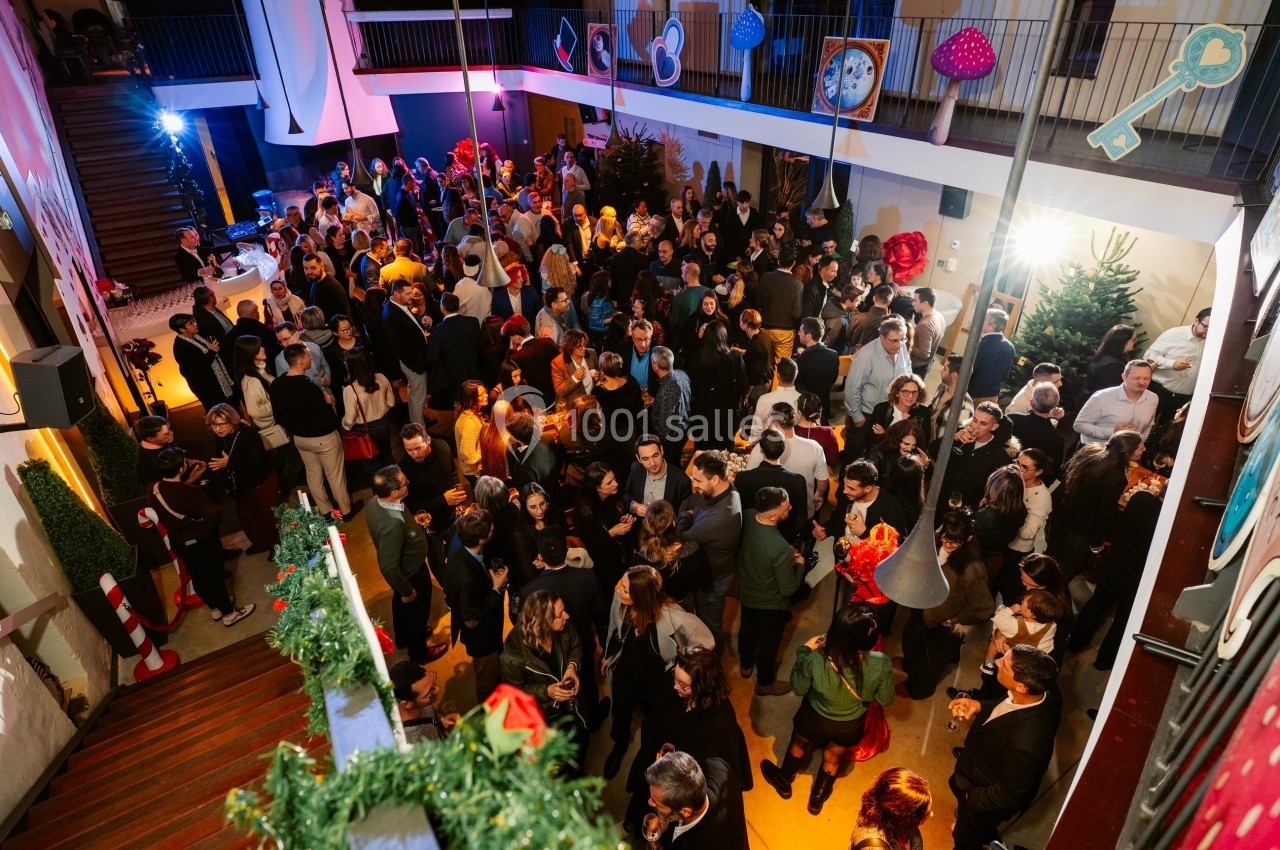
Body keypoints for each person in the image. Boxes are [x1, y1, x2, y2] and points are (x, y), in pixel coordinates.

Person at [761, 604, 894, 815]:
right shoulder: (881, 663)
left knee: (798, 743)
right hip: (850, 726)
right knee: (833, 758)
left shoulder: (816, 659)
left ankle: (784, 780)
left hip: (813, 719)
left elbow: (799, 687)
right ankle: (817, 799)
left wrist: (804, 650)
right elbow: (886, 699)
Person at [624, 647, 752, 834]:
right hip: (655, 760)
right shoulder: (674, 685)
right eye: (675, 679)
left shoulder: (720, 725)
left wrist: (671, 768)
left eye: (683, 685)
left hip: (675, 783)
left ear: (703, 687)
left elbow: (707, 777)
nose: (675, 687)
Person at [602, 566, 714, 779]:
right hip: (626, 668)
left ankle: (649, 754)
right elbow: (612, 629)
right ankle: (619, 743)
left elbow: (706, 641)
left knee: (654, 716)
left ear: (641, 595)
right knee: (622, 707)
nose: (617, 590)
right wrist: (608, 655)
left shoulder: (673, 615)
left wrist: (683, 667)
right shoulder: (621, 602)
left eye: (625, 589)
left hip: (656, 677)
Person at [947, 646, 1061, 850]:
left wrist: (970, 798)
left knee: (964, 840)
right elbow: (1007, 706)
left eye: (1004, 664)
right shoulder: (1041, 691)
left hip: (981, 795)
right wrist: (979, 706)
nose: (997, 662)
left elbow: (1009, 795)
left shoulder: (1027, 743)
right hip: (976, 769)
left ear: (1021, 687)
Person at [147, 449, 254, 626]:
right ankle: (229, 614)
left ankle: (215, 608)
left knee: (197, 576)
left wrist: (188, 483)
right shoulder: (191, 492)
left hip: (179, 542)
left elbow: (174, 495)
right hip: (201, 540)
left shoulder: (153, 489)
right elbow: (214, 514)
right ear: (182, 468)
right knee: (214, 577)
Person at [899, 511, 995, 699]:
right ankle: (910, 665)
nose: (948, 545)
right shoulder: (936, 541)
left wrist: (956, 619)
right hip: (925, 609)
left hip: (945, 622)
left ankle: (918, 689)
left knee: (930, 662)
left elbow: (984, 608)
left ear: (968, 538)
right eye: (946, 538)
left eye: (954, 542)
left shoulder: (970, 568)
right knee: (910, 639)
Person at [1068, 479, 1163, 669]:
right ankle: (1104, 662)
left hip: (1115, 564)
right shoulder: (1164, 521)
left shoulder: (1140, 500)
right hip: (1138, 576)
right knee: (1123, 620)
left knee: (1097, 603)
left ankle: (1074, 643)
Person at [367, 467, 450, 665]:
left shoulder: (375, 502)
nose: (409, 483)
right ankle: (419, 651)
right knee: (417, 612)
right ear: (394, 492)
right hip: (410, 574)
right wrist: (407, 590)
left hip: (406, 570)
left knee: (401, 606)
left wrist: (412, 522)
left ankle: (404, 637)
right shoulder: (392, 525)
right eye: (405, 482)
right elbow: (388, 566)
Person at [270, 344, 360, 521]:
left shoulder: (277, 385)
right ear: (301, 360)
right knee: (335, 476)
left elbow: (278, 417)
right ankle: (346, 511)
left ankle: (326, 512)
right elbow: (328, 420)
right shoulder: (309, 389)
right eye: (309, 356)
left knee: (313, 475)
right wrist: (328, 403)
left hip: (301, 439)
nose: (311, 358)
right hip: (324, 438)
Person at [500, 590, 587, 768]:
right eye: (559, 614)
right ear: (542, 623)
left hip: (572, 705)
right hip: (545, 715)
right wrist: (547, 691)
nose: (567, 616)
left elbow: (576, 646)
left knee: (580, 742)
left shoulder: (564, 626)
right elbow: (516, 694)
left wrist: (572, 666)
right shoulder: (512, 655)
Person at [737, 487, 807, 696]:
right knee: (769, 642)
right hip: (771, 604)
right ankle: (765, 683)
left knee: (747, 629)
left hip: (747, 593)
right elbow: (788, 589)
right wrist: (800, 565)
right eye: (786, 508)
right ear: (773, 515)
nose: (791, 508)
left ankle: (745, 665)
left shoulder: (749, 515)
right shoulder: (780, 548)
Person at [1050, 430, 1142, 579]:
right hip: (1080, 531)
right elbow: (1103, 513)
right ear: (1127, 453)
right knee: (1066, 568)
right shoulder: (1117, 477)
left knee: (1052, 556)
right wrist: (1098, 542)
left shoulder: (1091, 451)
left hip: (1061, 515)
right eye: (1140, 448)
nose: (1143, 450)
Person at [678, 452, 743, 651]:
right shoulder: (720, 491)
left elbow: (682, 537)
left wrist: (684, 517)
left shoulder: (721, 516)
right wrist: (688, 512)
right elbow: (688, 503)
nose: (694, 485)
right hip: (707, 571)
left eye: (697, 480)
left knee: (710, 624)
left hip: (713, 580)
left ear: (715, 479)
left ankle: (714, 658)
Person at [443, 509, 507, 703]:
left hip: (489, 632)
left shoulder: (459, 544)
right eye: (490, 529)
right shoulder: (467, 577)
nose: (493, 529)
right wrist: (496, 588)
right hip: (482, 637)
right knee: (486, 679)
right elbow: (471, 619)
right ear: (481, 540)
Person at [204, 404, 278, 556]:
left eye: (222, 424)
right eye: (213, 425)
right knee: (247, 518)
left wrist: (228, 464)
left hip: (260, 483)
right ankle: (261, 544)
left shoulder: (247, 435)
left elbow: (257, 465)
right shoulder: (222, 436)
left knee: (268, 519)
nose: (218, 429)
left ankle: (277, 548)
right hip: (241, 487)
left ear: (233, 421)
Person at [645, 751, 749, 849]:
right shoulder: (716, 766)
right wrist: (664, 820)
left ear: (685, 812)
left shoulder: (694, 845)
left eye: (656, 803)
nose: (649, 802)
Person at [843, 317, 911, 461]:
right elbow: (852, 388)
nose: (899, 344)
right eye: (894, 341)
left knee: (879, 449)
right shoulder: (866, 356)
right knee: (856, 451)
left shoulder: (902, 347)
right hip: (867, 414)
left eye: (903, 339)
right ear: (882, 338)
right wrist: (857, 416)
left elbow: (908, 370)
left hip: (890, 411)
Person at [935, 402, 1020, 509]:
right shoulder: (961, 434)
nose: (976, 427)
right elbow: (933, 451)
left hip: (966, 510)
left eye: (983, 423)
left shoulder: (1000, 456)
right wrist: (953, 438)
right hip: (939, 500)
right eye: (975, 420)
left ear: (994, 426)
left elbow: (991, 491)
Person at [1003, 448, 1054, 604]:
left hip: (1016, 551)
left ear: (1038, 472)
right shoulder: (1014, 480)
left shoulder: (1042, 499)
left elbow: (1028, 533)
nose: (1018, 468)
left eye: (1024, 467)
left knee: (1009, 594)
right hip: (1002, 543)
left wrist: (1005, 513)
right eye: (1017, 462)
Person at [573, 462, 634, 592]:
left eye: (614, 478)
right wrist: (611, 533)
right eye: (609, 483)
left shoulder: (613, 496)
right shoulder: (585, 510)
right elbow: (586, 545)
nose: (616, 483)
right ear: (597, 488)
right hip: (604, 564)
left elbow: (617, 517)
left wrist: (626, 518)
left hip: (623, 555)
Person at [1145, 308, 1210, 420]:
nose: (1208, 331)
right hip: (1159, 392)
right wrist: (1172, 363)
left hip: (1184, 399)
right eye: (1205, 327)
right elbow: (1149, 355)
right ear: (1196, 321)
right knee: (1143, 423)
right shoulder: (1174, 334)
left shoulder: (1214, 341)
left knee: (1166, 433)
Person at [1074, 359, 1158, 445]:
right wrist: (1113, 431)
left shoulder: (1153, 398)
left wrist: (1138, 444)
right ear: (1124, 377)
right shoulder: (1102, 397)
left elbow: (1148, 426)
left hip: (1128, 452)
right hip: (1096, 451)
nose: (1142, 382)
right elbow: (1079, 425)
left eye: (1147, 378)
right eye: (1136, 378)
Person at [690, 322, 747, 450]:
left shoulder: (696, 358)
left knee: (702, 454)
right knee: (724, 454)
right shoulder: (735, 357)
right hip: (727, 414)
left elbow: (692, 388)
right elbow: (743, 386)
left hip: (702, 414)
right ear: (724, 336)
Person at [848, 768, 932, 850]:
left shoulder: (901, 823)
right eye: (924, 812)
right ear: (904, 817)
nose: (931, 814)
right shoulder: (873, 846)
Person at [426, 292, 482, 413]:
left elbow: (432, 357)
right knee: (474, 406)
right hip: (472, 372)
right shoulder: (473, 322)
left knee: (458, 409)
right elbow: (478, 345)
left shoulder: (438, 331)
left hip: (452, 378)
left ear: (443, 308)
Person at [971, 465, 1027, 585]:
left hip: (976, 560)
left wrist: (982, 509)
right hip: (997, 559)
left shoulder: (984, 516)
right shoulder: (1021, 509)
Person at [341, 348, 396, 470]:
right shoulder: (381, 377)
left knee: (371, 463)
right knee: (387, 456)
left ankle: (380, 487)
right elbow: (391, 403)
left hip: (364, 429)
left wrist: (343, 426)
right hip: (384, 423)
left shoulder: (350, 390)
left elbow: (349, 420)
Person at [170, 313, 236, 412]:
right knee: (220, 412)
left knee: (232, 407)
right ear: (182, 330)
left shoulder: (197, 336)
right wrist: (212, 352)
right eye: (191, 324)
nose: (195, 324)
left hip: (219, 380)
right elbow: (197, 368)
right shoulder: (181, 347)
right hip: (207, 387)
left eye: (194, 321)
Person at [624, 434, 693, 517]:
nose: (652, 463)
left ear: (662, 450)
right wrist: (634, 506)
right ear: (638, 458)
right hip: (639, 524)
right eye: (645, 459)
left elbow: (685, 515)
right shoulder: (635, 468)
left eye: (655, 456)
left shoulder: (682, 480)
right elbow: (626, 494)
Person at [757, 244, 804, 360]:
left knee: (764, 364)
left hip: (764, 329)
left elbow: (758, 303)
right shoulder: (797, 285)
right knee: (780, 368)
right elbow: (797, 313)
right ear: (794, 263)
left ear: (778, 260)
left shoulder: (765, 277)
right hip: (785, 332)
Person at [1007, 382, 1066, 476]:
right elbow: (1053, 470)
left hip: (1003, 471)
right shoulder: (1056, 438)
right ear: (1055, 405)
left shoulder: (1012, 419)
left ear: (1031, 403)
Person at [866, 373, 933, 449]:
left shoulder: (923, 413)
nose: (910, 396)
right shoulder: (881, 409)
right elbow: (870, 440)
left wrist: (885, 435)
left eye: (914, 392)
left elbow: (922, 445)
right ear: (897, 393)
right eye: (906, 392)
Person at [650, 346, 691, 466]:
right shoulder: (681, 374)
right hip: (684, 428)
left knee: (671, 467)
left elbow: (665, 424)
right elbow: (679, 400)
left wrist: (658, 443)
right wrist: (657, 402)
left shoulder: (667, 389)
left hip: (672, 438)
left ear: (656, 365)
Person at [794, 317, 840, 422]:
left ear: (808, 336)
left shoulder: (802, 359)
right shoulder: (833, 354)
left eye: (801, 331)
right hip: (824, 403)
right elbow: (833, 378)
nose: (798, 333)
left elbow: (798, 383)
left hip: (807, 407)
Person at [390, 661, 447, 744]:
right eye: (429, 693)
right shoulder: (417, 741)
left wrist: (442, 720)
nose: (437, 689)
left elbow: (429, 714)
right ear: (407, 704)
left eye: (433, 682)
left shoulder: (418, 703)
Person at [747, 356, 801, 441]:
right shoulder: (802, 400)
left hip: (772, 447)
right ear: (796, 373)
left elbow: (756, 431)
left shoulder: (764, 399)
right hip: (797, 445)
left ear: (777, 374)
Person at [970, 308, 1016, 404]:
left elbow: (970, 369)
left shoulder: (984, 344)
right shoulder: (1009, 346)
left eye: (984, 319)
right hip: (993, 395)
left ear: (993, 326)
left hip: (974, 394)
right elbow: (1005, 375)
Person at [1080, 323, 1136, 402]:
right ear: (1123, 342)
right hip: (1097, 407)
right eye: (1133, 340)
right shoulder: (1112, 366)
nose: (1135, 342)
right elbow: (1118, 392)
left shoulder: (1107, 355)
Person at [929, 353, 974, 441]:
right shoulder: (942, 387)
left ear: (954, 375)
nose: (941, 371)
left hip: (937, 450)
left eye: (945, 368)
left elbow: (956, 438)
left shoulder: (965, 407)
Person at [550, 329, 598, 409]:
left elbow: (600, 371)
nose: (584, 348)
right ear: (570, 348)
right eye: (579, 347)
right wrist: (574, 378)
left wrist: (598, 375)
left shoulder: (591, 354)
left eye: (584, 345)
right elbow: (559, 392)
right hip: (572, 407)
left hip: (591, 403)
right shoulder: (558, 363)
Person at [909, 287, 945, 378]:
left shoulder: (925, 325)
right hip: (927, 363)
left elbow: (924, 354)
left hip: (917, 367)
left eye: (915, 301)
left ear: (925, 303)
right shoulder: (939, 316)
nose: (912, 303)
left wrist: (908, 341)